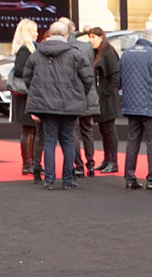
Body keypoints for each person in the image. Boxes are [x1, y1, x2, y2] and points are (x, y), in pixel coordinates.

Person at [23, 20, 93, 190]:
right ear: (66, 35)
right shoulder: (75, 54)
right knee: (68, 140)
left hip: (46, 105)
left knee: (49, 141)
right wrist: (79, 94)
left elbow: (27, 77)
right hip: (70, 104)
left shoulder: (37, 54)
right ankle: (68, 179)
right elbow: (88, 78)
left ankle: (49, 180)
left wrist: (39, 93)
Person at [120, 28, 152, 191]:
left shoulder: (126, 53)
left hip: (130, 104)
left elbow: (120, 79)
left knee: (132, 141)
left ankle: (129, 178)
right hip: (150, 104)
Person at [64, 19, 99, 177]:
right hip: (88, 94)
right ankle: (90, 164)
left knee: (74, 133)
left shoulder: (65, 48)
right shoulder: (87, 47)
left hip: (72, 96)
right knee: (87, 131)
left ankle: (78, 166)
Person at [9, 19, 42, 179]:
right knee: (28, 129)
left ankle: (32, 162)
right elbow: (19, 71)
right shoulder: (25, 50)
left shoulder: (32, 48)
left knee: (32, 129)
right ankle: (27, 163)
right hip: (24, 95)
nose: (37, 33)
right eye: (34, 30)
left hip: (29, 94)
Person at [88, 27, 121, 172]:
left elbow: (115, 76)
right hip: (100, 98)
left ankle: (113, 161)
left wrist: (106, 92)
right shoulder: (97, 53)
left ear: (101, 37)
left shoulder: (108, 52)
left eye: (94, 37)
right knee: (103, 130)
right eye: (90, 37)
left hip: (108, 98)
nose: (91, 40)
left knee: (109, 130)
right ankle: (107, 159)